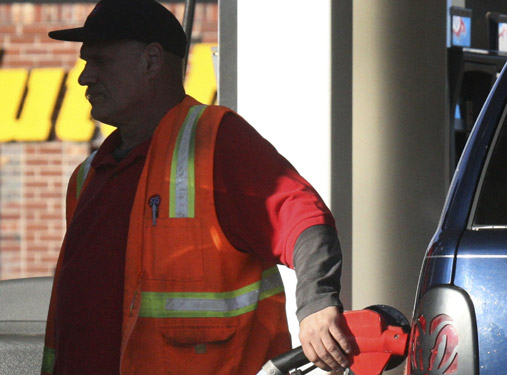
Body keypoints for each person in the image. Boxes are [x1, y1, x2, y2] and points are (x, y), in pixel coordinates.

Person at [42, 0, 351, 374]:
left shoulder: (215, 142)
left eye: (100, 61)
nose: (84, 77)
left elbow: (303, 219)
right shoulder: (87, 177)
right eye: (85, 62)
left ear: (152, 61)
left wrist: (317, 305)